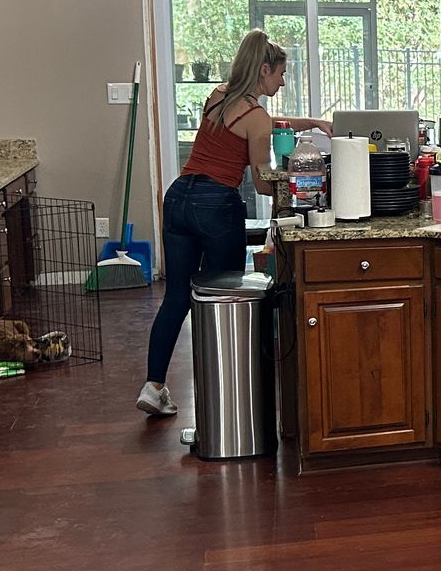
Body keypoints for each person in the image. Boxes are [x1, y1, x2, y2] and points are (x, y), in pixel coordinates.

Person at [138, 30, 329, 417]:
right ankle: (227, 388)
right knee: (223, 299)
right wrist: (295, 170)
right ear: (264, 70)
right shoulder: (256, 117)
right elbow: (260, 181)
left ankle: (153, 385)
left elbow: (260, 120)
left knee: (178, 295)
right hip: (216, 204)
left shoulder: (219, 95)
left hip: (178, 197)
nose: (283, 81)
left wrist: (311, 122)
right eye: (280, 74)